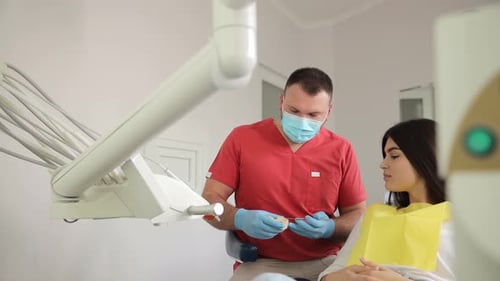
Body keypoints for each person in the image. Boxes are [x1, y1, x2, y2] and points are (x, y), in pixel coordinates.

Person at [201, 67, 367, 281]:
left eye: (313, 114)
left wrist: (330, 228)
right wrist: (240, 218)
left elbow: (358, 215)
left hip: (327, 263)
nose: (302, 121)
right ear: (281, 102)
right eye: (294, 111)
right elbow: (208, 200)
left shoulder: (341, 149)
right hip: (262, 263)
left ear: (329, 111)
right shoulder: (242, 138)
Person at [318, 118, 453, 281]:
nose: (383, 164)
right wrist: (339, 278)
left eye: (394, 156)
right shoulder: (374, 215)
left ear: (426, 158)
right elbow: (329, 274)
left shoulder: (456, 224)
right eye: (385, 156)